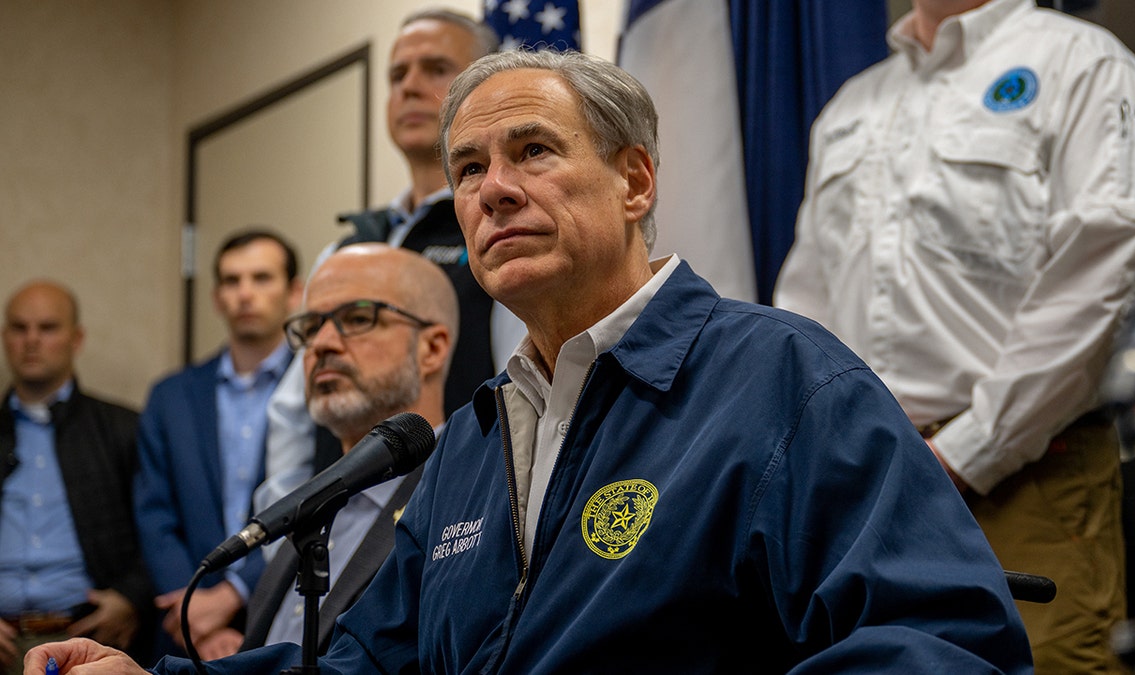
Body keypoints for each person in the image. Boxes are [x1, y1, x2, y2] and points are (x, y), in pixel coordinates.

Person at [26, 49, 1033, 674]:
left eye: (533, 152)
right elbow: (370, 666)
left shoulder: (782, 379)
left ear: (635, 179)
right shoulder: (470, 436)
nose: (492, 191)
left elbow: (941, 642)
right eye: (468, 170)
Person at [773, 0, 1135, 670]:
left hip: (1029, 476)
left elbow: (1105, 279)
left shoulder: (1085, 64)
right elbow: (808, 297)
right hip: (860, 483)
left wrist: (964, 451)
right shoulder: (853, 104)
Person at [258, 8, 521, 513]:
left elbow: (522, 388)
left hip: (456, 515)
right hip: (339, 533)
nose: (410, 87)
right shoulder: (346, 249)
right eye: (397, 75)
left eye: (436, 69)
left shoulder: (500, 225)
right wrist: (290, 523)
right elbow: (292, 412)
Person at [192, 244, 456, 661]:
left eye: (357, 318)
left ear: (432, 349)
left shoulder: (466, 493)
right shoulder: (312, 501)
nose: (323, 345)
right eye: (312, 327)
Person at [133, 230, 302, 656]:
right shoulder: (171, 395)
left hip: (291, 613)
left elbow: (319, 505)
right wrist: (195, 613)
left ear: (294, 293)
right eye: (232, 280)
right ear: (216, 297)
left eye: (261, 278)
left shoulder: (318, 390)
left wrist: (232, 596)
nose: (245, 293)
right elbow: (154, 513)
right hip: (182, 623)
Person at [0, 281, 153, 673]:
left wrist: (130, 597)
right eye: (19, 328)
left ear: (76, 338)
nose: (31, 340)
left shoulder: (123, 429)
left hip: (87, 642)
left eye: (47, 328)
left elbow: (160, 528)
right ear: (5, 337)